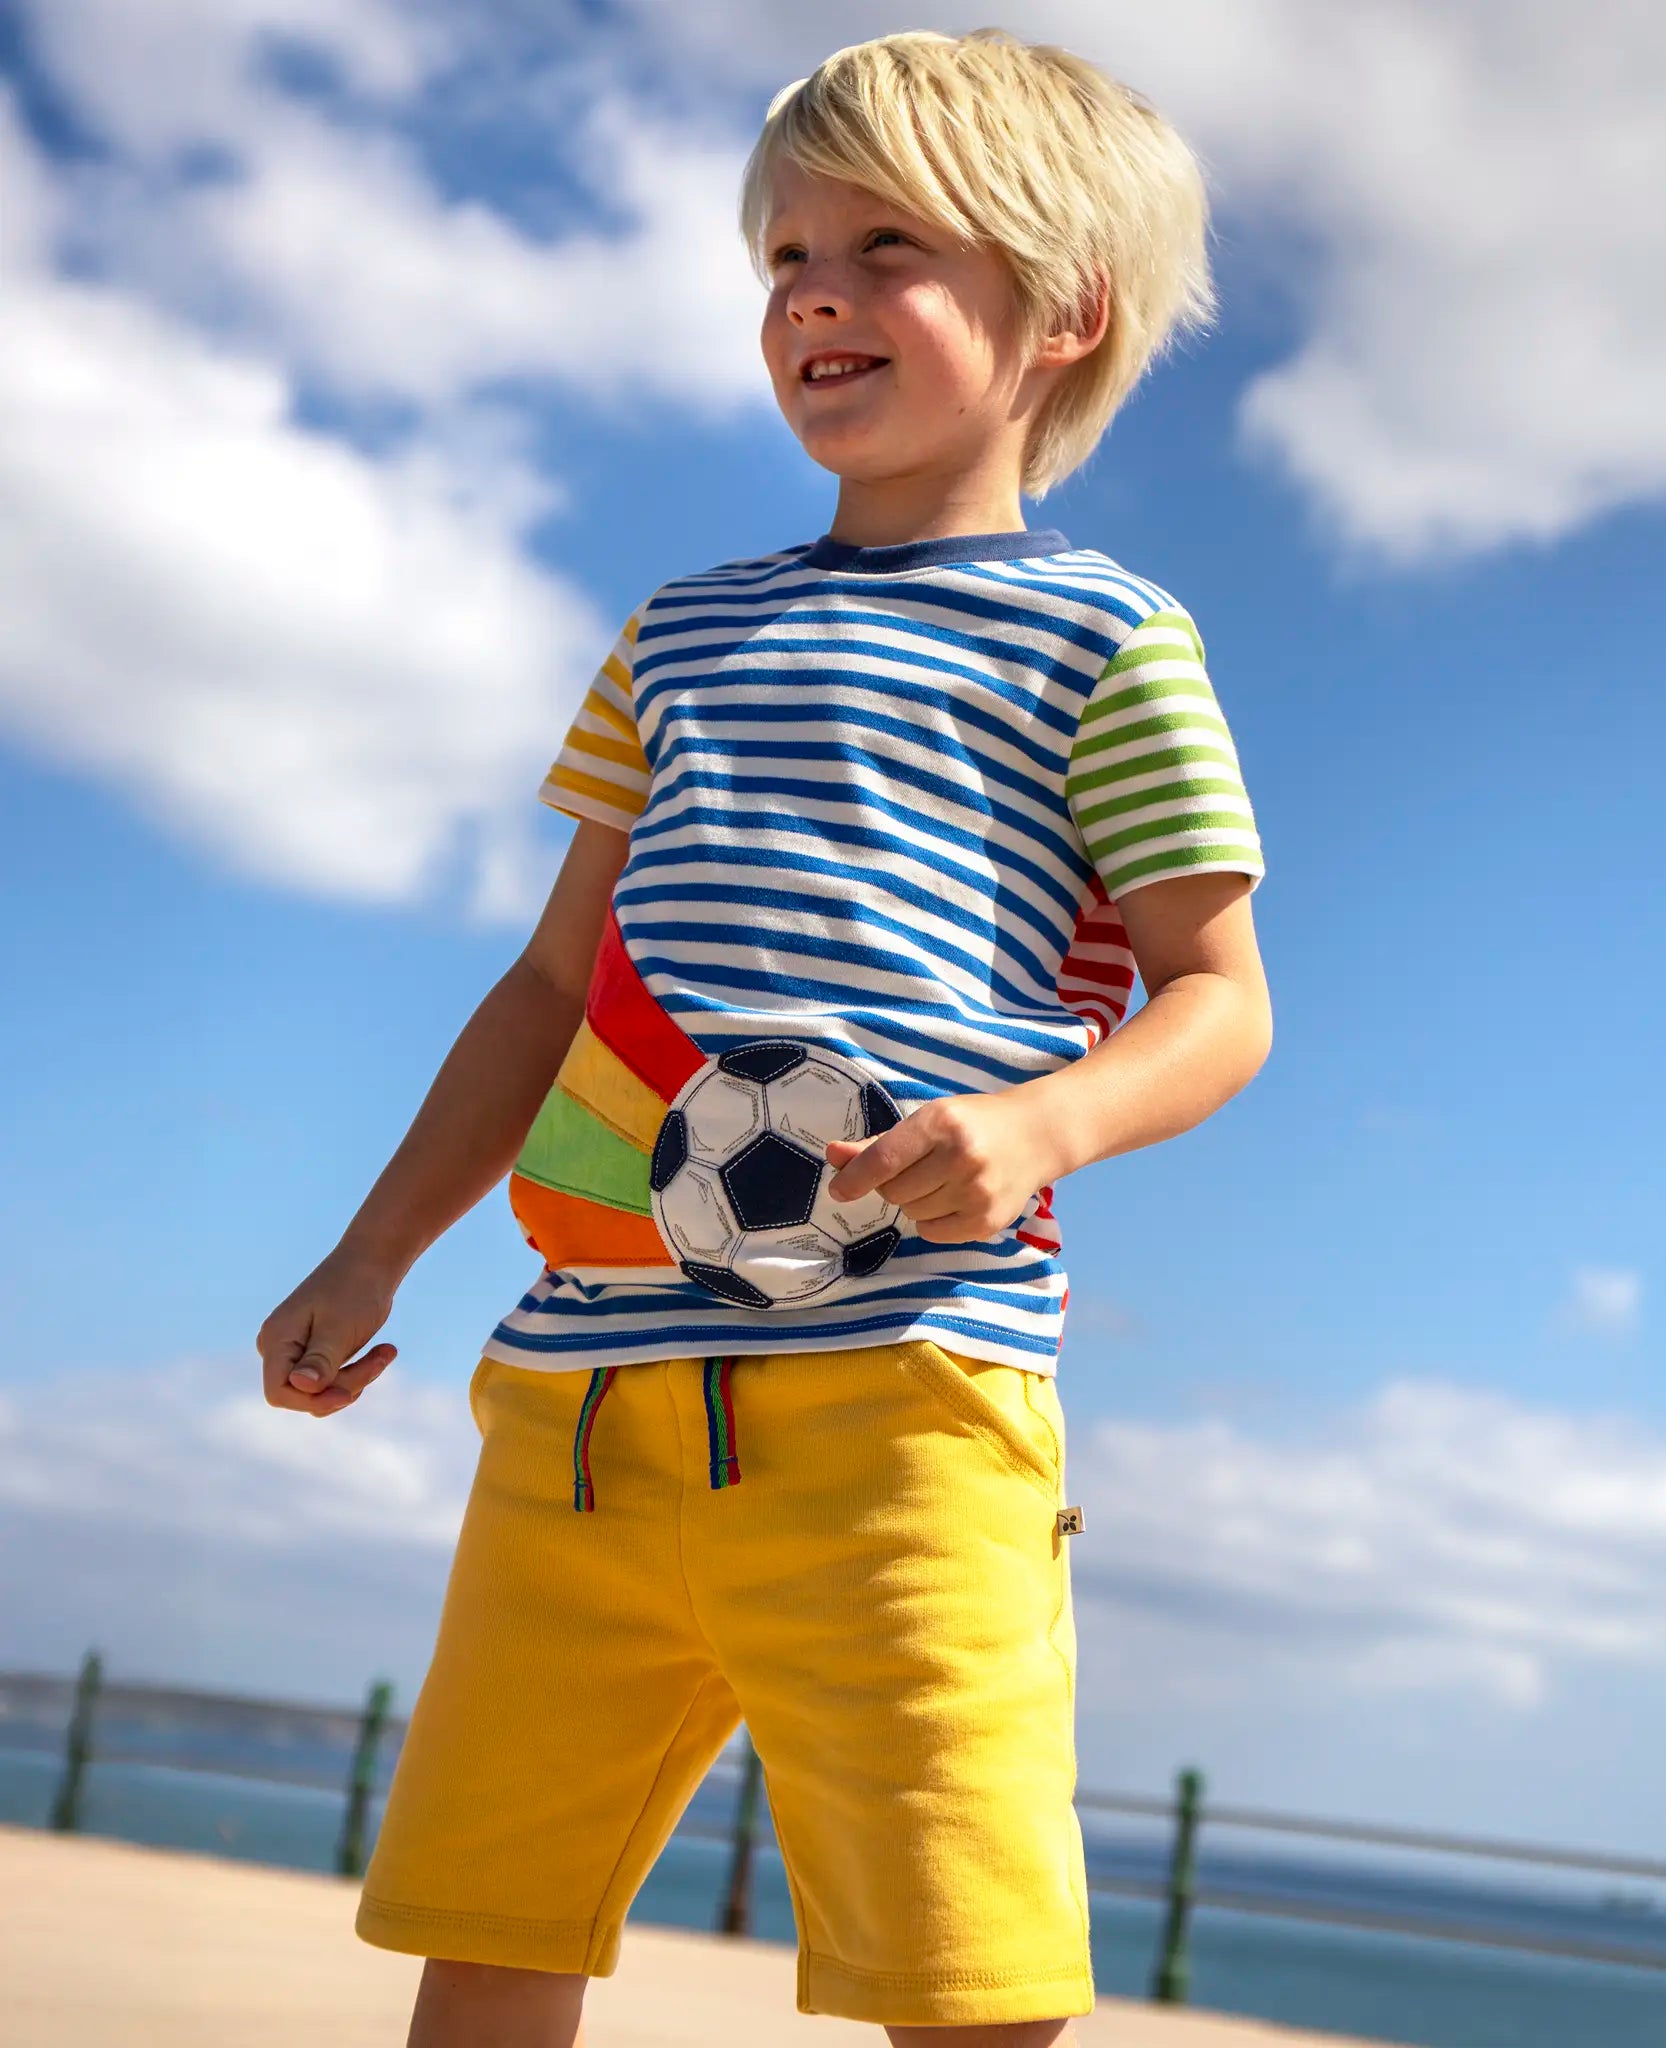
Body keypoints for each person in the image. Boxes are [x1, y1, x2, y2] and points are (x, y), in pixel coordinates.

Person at [257, 28, 1271, 2048]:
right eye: (786, 255)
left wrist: (1044, 1123)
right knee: (491, 1928)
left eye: (885, 247)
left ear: (1064, 312)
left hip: (903, 1407)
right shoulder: (678, 630)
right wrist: (374, 1252)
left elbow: (1219, 997)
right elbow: (551, 990)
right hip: (581, 1408)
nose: (812, 292)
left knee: (963, 1979)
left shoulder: (1108, 639)